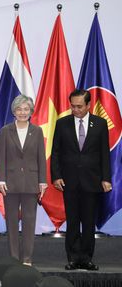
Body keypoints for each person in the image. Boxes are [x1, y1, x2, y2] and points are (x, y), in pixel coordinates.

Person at [51, 89, 111, 271]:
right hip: (69, 181)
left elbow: (104, 154)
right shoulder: (62, 123)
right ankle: (73, 258)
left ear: (88, 105)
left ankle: (86, 259)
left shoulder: (100, 124)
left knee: (88, 221)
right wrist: (56, 176)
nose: (75, 109)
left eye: (79, 106)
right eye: (72, 106)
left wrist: (106, 178)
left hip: (92, 181)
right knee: (73, 221)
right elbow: (55, 153)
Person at [0, 94, 47, 266]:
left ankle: (26, 259)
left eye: (26, 109)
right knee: (11, 222)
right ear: (14, 111)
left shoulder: (38, 131)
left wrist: (42, 182)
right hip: (10, 183)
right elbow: (0, 156)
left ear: (31, 111)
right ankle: (13, 258)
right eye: (19, 109)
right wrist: (0, 179)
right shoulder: (5, 130)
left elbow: (41, 157)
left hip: (31, 183)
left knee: (29, 222)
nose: (23, 112)